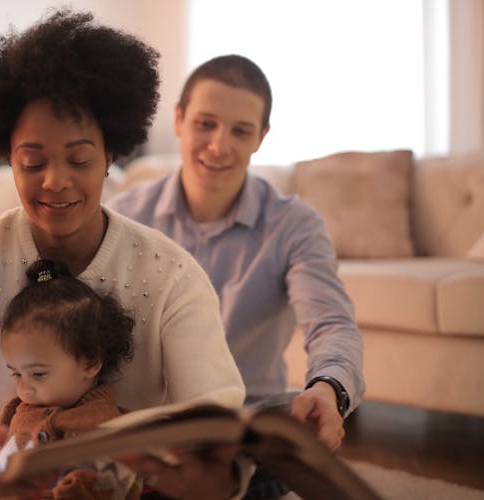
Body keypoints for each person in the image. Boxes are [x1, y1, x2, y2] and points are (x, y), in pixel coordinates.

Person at [0, 10, 245, 500]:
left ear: (110, 157)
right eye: (32, 162)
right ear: (8, 159)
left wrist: (207, 471)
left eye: (80, 160)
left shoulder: (170, 274)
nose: (55, 181)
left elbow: (212, 402)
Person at [107, 55, 365, 498]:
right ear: (179, 119)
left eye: (240, 130)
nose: (219, 145)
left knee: (287, 427)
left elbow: (332, 324)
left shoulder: (295, 225)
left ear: (261, 138)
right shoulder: (124, 218)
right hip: (148, 426)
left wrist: (328, 391)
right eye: (205, 123)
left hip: (243, 428)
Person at [0, 259, 142, 499]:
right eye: (16, 373)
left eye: (38, 374)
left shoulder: (100, 421)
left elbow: (103, 480)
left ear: (90, 362)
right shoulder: (18, 409)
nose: (24, 388)